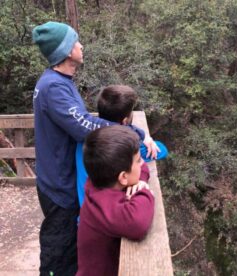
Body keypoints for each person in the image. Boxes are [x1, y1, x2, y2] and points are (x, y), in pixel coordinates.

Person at [31, 21, 158, 275]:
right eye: (76, 41)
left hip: (59, 178)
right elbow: (85, 126)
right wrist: (135, 133)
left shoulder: (58, 81)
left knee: (68, 250)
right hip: (59, 185)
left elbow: (78, 117)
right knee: (60, 253)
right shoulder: (54, 87)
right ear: (67, 52)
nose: (81, 45)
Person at [76, 126, 154, 276]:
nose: (141, 163)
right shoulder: (103, 204)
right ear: (123, 177)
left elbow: (142, 169)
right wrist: (144, 191)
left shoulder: (99, 182)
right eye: (137, 161)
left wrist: (139, 180)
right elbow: (138, 223)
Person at [76, 85, 169, 210]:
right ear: (125, 121)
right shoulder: (121, 147)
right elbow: (162, 150)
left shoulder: (85, 136)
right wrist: (145, 136)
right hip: (105, 215)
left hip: (83, 212)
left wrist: (140, 134)